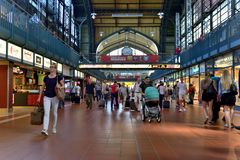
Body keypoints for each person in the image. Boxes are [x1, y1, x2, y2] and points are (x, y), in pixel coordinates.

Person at [37, 64, 64, 136]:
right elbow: (42, 88)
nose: (51, 68)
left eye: (52, 67)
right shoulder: (46, 77)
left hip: (55, 96)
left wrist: (60, 87)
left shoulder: (58, 77)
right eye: (50, 67)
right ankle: (45, 129)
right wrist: (39, 97)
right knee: (46, 113)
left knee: (54, 113)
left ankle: (54, 127)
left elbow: (63, 85)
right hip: (46, 97)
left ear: (55, 69)